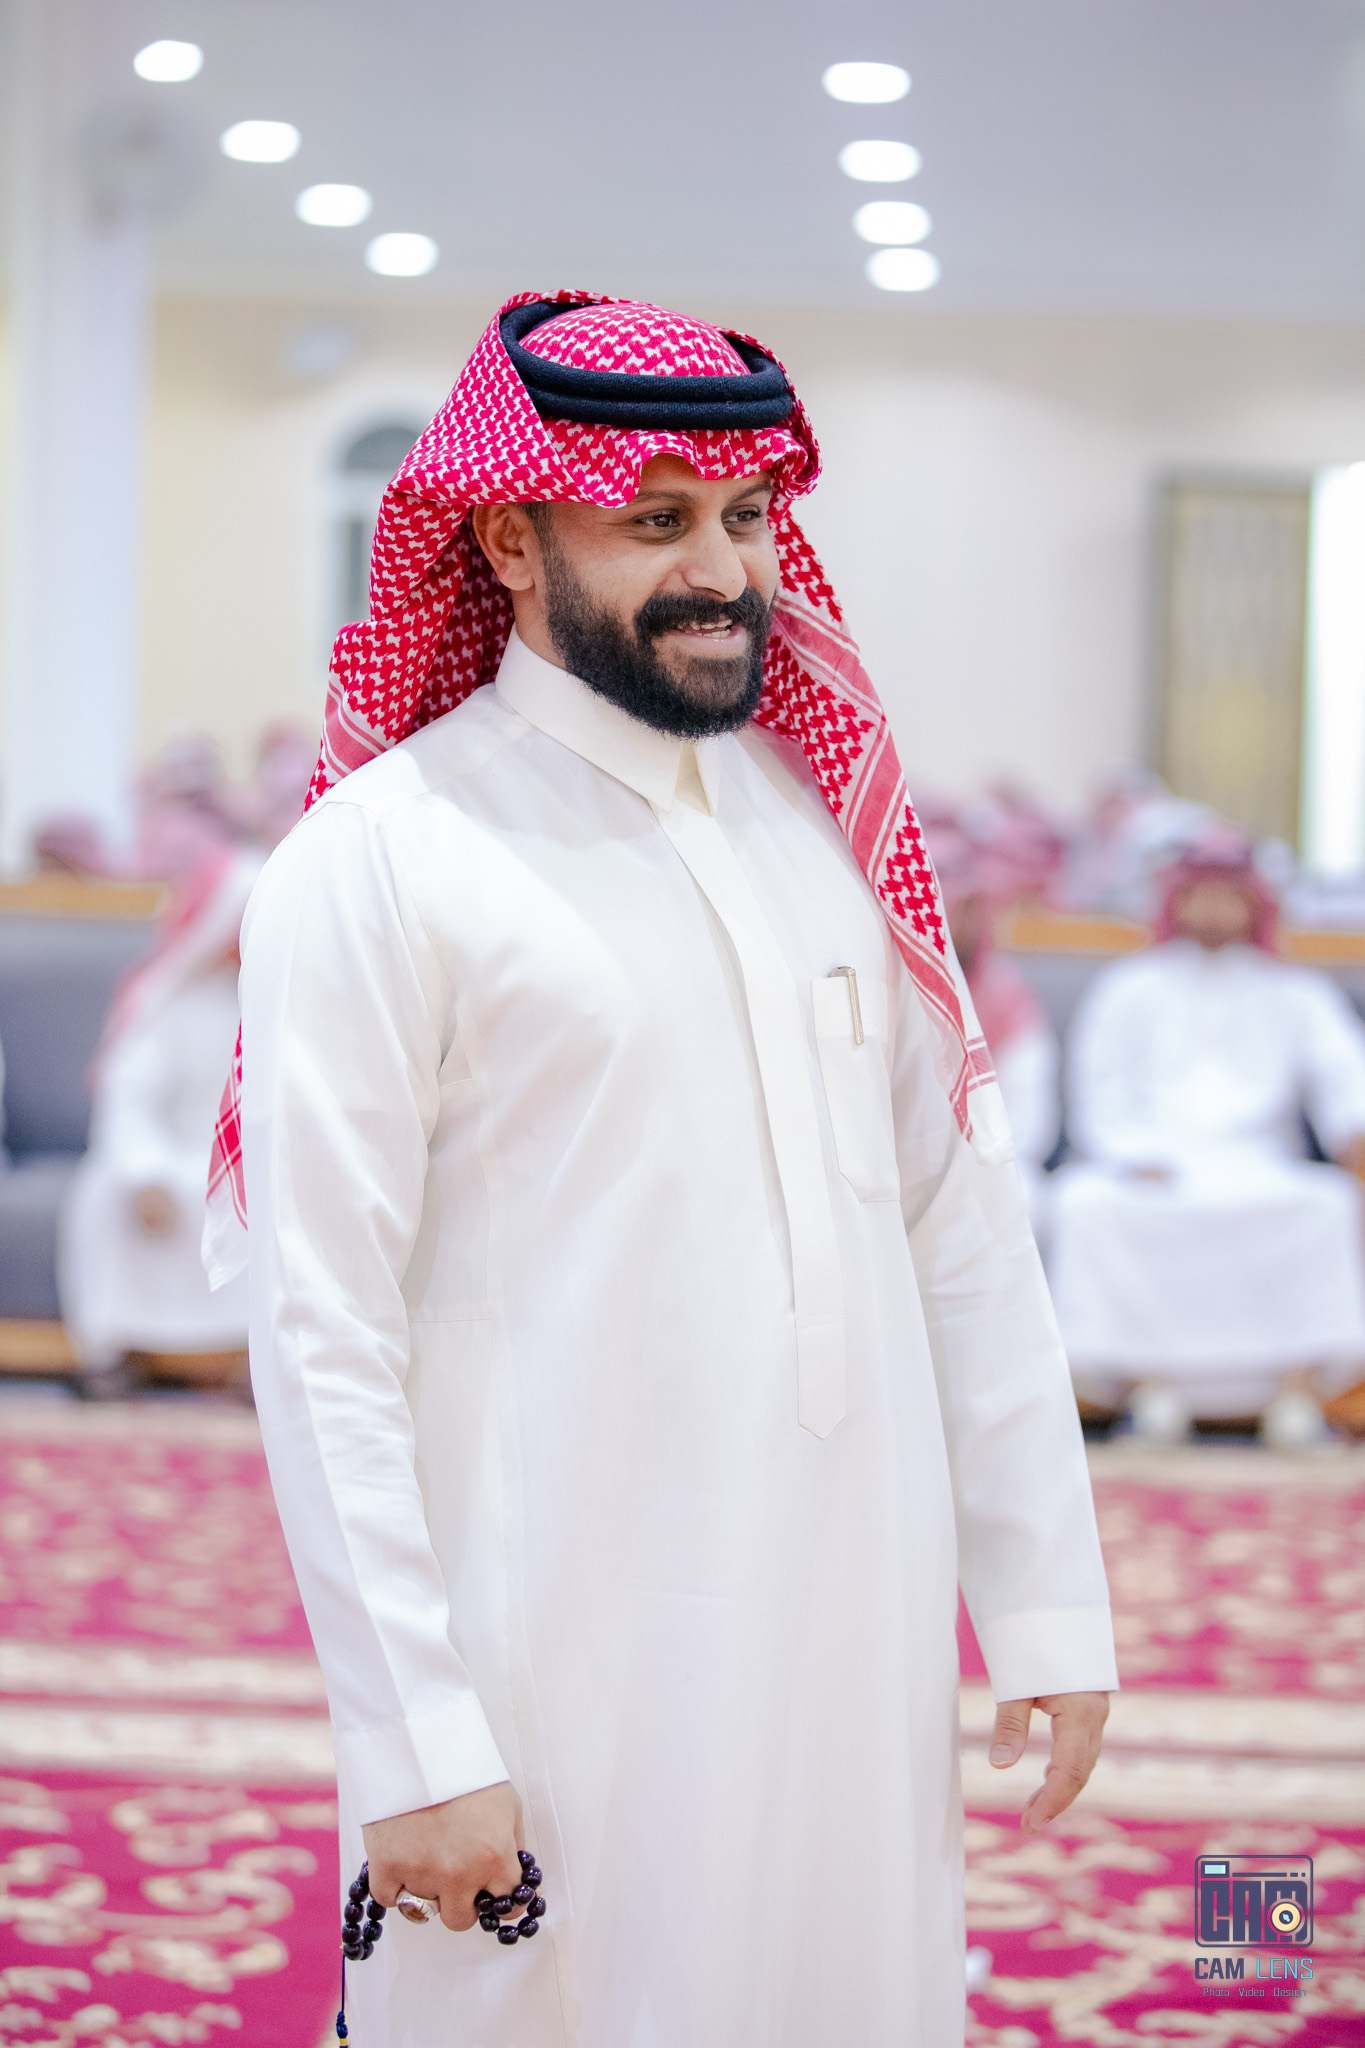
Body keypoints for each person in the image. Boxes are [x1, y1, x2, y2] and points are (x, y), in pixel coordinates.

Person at [210, 293, 1115, 2048]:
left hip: (852, 1621)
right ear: (507, 535)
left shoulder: (825, 828)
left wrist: (1045, 1596)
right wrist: (412, 1735)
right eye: (656, 520)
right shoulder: (384, 858)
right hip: (552, 1647)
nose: (723, 570)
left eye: (748, 516)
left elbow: (957, 1229)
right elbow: (320, 1326)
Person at [1048, 837, 1365, 1445]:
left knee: (1330, 1203)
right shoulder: (1128, 987)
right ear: (1178, 902)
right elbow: (1099, 1091)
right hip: (1154, 1162)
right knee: (1082, 1203)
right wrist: (1130, 1155)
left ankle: (1295, 1395)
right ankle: (1147, 1391)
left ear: (1254, 905)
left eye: (1229, 897)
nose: (1215, 910)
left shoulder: (1294, 990)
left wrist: (1351, 1126)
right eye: (1202, 896)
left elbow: (1342, 1070)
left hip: (1261, 1162)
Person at [59, 845, 258, 1393]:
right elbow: (127, 1100)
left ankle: (249, 1360)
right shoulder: (165, 1005)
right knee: (101, 1193)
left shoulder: (273, 1007)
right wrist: (145, 1171)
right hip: (166, 1157)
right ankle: (114, 1355)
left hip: (245, 1164)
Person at [929, 826, 1060, 1232]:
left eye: (970, 909)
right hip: (901, 1166)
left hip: (992, 1160)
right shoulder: (886, 990)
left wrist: (975, 1159)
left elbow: (1028, 1119)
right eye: (947, 905)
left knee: (1023, 1198)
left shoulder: (1006, 996)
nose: (958, 923)